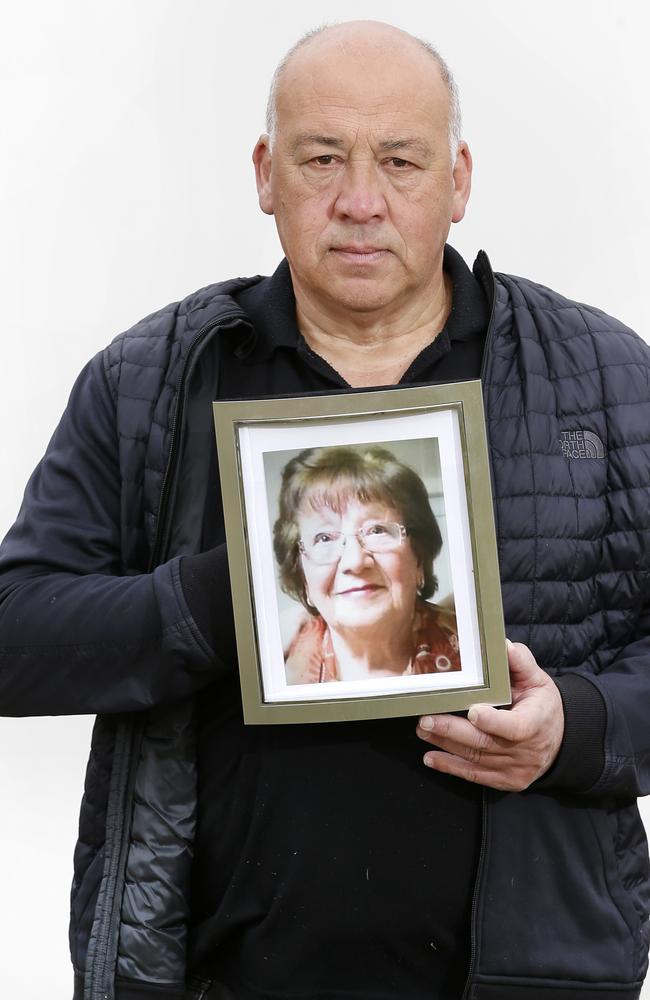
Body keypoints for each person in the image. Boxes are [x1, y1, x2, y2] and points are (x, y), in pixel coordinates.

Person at [0, 18, 649, 1000]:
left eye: (399, 160)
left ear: (457, 178)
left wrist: (581, 728)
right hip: (215, 978)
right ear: (265, 174)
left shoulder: (603, 379)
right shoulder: (147, 381)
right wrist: (229, 595)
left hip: (533, 978)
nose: (358, 200)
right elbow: (16, 638)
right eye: (320, 158)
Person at [273, 444, 461, 683]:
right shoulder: (274, 669)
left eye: (376, 530)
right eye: (324, 538)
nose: (355, 561)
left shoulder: (473, 646)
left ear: (419, 560)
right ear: (302, 576)